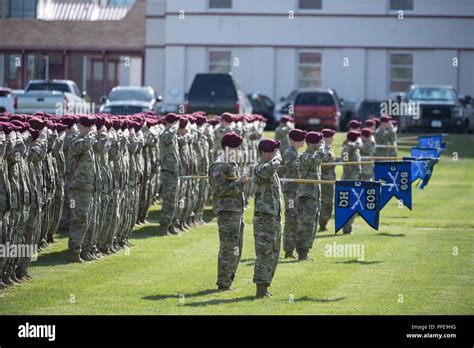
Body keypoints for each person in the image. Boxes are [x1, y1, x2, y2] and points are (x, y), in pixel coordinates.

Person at [208, 132, 250, 291]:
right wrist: (240, 183)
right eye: (237, 147)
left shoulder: (230, 163)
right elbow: (218, 189)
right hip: (227, 212)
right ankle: (223, 282)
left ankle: (228, 280)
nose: (239, 150)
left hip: (235, 210)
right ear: (230, 148)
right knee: (228, 248)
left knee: (236, 247)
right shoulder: (220, 165)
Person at [252, 139, 282, 298]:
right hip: (264, 219)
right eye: (273, 150)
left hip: (273, 217)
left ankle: (266, 285)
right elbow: (270, 168)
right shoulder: (260, 168)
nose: (276, 152)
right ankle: (260, 289)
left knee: (274, 252)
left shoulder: (270, 168)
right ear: (264, 153)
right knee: (264, 253)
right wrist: (278, 157)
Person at [296, 132, 327, 261]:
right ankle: (302, 253)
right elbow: (315, 162)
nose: (320, 144)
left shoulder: (313, 155)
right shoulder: (306, 156)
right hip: (307, 195)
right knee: (306, 224)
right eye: (318, 142)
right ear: (312, 143)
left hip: (314, 194)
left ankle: (306, 252)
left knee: (313, 223)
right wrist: (322, 149)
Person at [281, 129, 306, 258]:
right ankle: (288, 250)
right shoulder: (290, 153)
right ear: (296, 140)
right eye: (302, 138)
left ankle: (292, 249)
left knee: (296, 219)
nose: (304, 141)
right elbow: (294, 172)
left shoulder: (295, 152)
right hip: (291, 192)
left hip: (296, 190)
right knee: (291, 219)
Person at [157, 113, 180, 236]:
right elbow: (168, 138)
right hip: (168, 170)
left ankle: (170, 223)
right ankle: (164, 225)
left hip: (173, 170)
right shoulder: (165, 134)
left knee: (173, 198)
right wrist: (174, 127)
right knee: (168, 199)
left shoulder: (171, 133)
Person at [340, 130, 362, 235]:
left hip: (354, 179)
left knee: (353, 205)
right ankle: (346, 228)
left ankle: (348, 228)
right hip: (349, 180)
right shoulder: (349, 147)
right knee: (350, 205)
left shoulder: (352, 148)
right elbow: (345, 161)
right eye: (358, 137)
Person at [319, 128, 337, 232]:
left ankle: (324, 222)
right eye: (331, 136)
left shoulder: (329, 148)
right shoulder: (323, 149)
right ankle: (322, 223)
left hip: (330, 180)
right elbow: (324, 161)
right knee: (325, 203)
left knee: (329, 203)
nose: (333, 138)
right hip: (324, 180)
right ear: (325, 138)